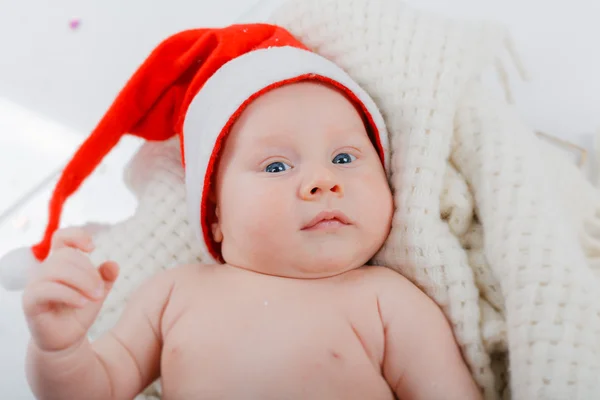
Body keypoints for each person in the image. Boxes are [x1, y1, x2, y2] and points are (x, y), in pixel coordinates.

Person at [16, 24, 481, 399]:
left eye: (344, 157)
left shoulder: (386, 301)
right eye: (276, 165)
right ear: (215, 217)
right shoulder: (174, 293)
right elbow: (96, 388)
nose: (323, 180)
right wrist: (60, 348)